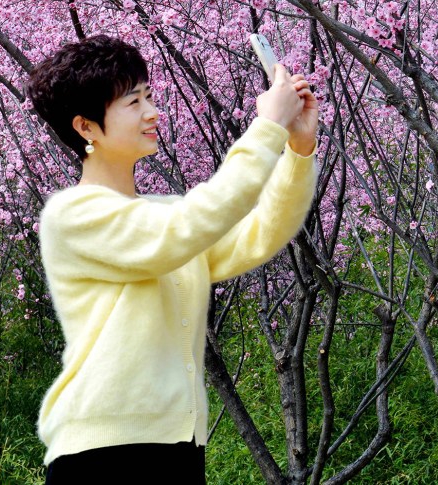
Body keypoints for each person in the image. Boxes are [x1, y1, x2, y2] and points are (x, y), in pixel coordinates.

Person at [25, 34, 318, 484]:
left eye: (149, 96)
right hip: (102, 456)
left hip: (178, 449)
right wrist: (268, 127)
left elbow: (259, 234)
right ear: (86, 127)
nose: (152, 112)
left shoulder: (163, 214)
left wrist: (298, 148)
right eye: (133, 102)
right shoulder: (73, 216)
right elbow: (187, 228)